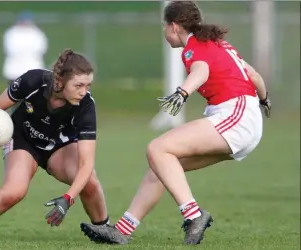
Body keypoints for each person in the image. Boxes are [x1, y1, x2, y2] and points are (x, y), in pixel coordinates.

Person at [80, 1, 272, 246]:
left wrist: (183, 92)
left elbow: (200, 72)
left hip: (235, 116)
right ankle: (123, 230)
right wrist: (264, 100)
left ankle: (193, 215)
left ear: (173, 26)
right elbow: (254, 76)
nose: (164, 31)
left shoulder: (194, 47)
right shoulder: (217, 44)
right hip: (245, 119)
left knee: (157, 148)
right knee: (161, 166)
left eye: (164, 26)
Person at [0, 49, 110, 242]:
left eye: (88, 85)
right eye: (79, 85)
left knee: (89, 181)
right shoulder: (33, 81)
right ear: (59, 80)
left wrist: (68, 198)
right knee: (13, 192)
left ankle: (105, 231)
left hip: (59, 147)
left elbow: (86, 163)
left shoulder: (86, 105)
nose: (84, 92)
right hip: (22, 139)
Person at [2, 11, 48, 84]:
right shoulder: (12, 32)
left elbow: (41, 47)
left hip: (32, 63)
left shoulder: (36, 33)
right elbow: (10, 48)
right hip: (15, 64)